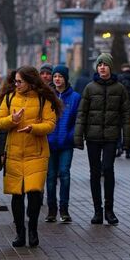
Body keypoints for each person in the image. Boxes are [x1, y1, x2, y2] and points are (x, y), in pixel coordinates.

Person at [0, 66, 60, 247]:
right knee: (17, 195)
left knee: (34, 194)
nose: (16, 84)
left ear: (30, 82)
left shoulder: (43, 99)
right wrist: (12, 120)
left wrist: (33, 128)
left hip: (36, 154)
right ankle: (20, 232)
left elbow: (50, 124)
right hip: (14, 154)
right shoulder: (9, 98)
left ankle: (33, 230)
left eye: (20, 81)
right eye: (15, 81)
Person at [74, 53, 130, 225]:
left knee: (108, 169)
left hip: (111, 137)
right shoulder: (90, 88)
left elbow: (127, 116)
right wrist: (78, 137)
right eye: (99, 65)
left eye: (105, 64)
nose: (102, 67)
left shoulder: (120, 88)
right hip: (92, 137)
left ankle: (109, 210)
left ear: (110, 67)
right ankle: (97, 211)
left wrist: (127, 140)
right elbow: (82, 114)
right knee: (94, 172)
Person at [44, 65, 81, 223]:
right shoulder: (47, 96)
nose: (57, 79)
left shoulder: (75, 97)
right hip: (50, 142)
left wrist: (71, 136)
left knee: (65, 174)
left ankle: (64, 210)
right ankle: (51, 210)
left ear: (65, 78)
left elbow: (78, 119)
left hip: (66, 143)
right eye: (55, 76)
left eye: (60, 76)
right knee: (51, 176)